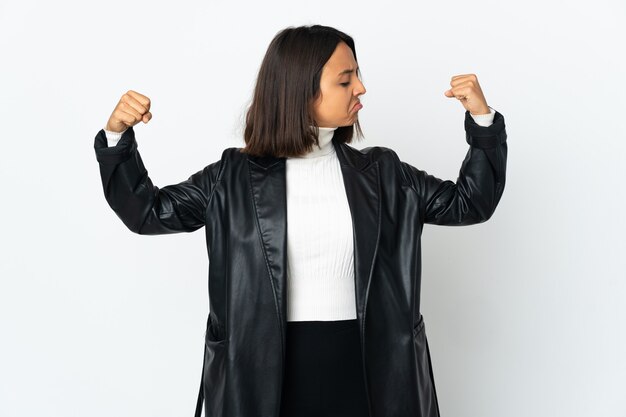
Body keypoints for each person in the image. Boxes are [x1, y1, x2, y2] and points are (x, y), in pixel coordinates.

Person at [93, 24, 507, 417]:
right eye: (345, 80)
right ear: (300, 92)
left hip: (370, 371)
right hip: (263, 375)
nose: (361, 88)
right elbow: (148, 213)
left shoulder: (384, 173)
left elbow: (469, 203)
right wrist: (117, 138)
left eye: (357, 76)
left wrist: (483, 122)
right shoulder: (231, 177)